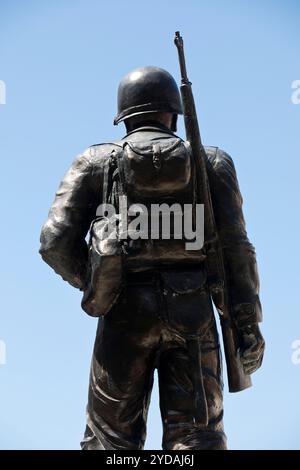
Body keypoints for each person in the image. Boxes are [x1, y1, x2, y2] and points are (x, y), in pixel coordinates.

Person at [39, 66, 265, 450]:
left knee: (109, 443)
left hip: (124, 313)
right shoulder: (212, 163)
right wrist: (248, 324)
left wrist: (97, 282)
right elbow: (237, 250)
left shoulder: (94, 161)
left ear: (123, 115)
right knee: (198, 439)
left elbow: (54, 241)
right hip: (193, 312)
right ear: (173, 113)